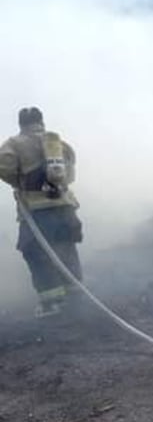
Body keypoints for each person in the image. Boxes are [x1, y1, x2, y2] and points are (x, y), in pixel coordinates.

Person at [0, 107, 84, 317]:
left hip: (37, 210)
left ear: (21, 124)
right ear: (41, 122)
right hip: (65, 205)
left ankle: (51, 302)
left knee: (36, 253)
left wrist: (21, 183)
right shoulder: (57, 143)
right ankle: (76, 294)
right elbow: (70, 171)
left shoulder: (14, 144)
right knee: (65, 246)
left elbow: (4, 168)